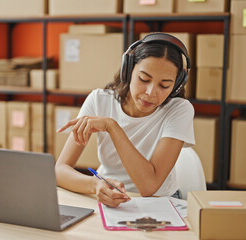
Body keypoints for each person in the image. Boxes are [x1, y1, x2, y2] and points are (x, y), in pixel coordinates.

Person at [55, 33, 195, 207]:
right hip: (108, 194)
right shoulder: (99, 100)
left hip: (159, 201)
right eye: (144, 79)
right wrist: (95, 184)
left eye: (164, 85)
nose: (151, 93)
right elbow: (59, 170)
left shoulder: (179, 110)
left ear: (177, 85)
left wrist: (112, 127)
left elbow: (148, 186)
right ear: (128, 71)